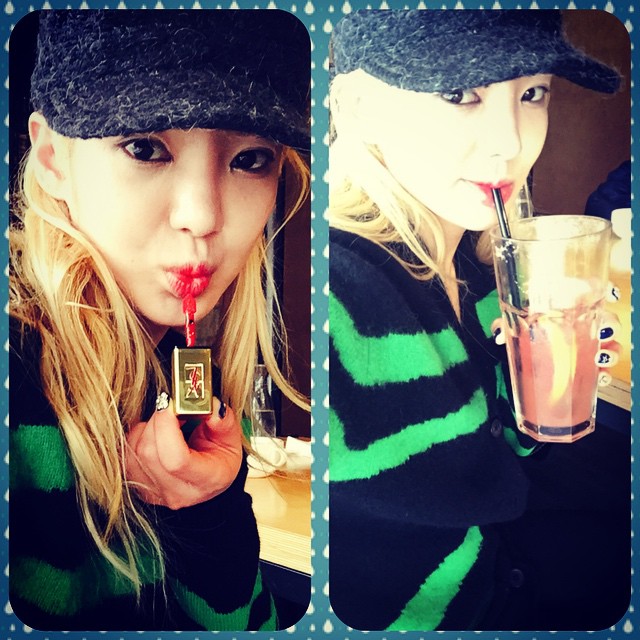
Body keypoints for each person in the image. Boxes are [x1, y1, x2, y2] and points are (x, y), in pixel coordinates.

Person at [328, 10, 629, 631]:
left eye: (532, 93)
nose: (510, 143)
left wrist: (556, 380)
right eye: (460, 93)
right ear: (359, 107)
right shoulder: (339, 288)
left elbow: (502, 465)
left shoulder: (489, 262)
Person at [9, 9, 309, 631]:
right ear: (53, 158)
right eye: (145, 148)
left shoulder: (190, 377)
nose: (202, 216)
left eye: (251, 159)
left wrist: (207, 512)